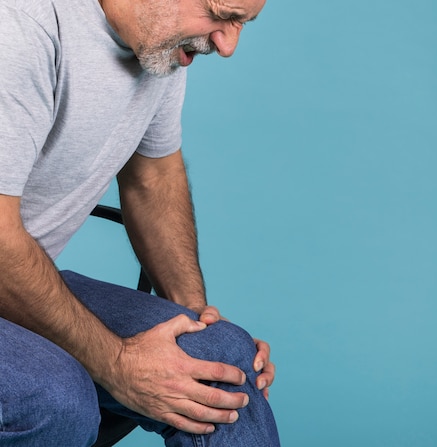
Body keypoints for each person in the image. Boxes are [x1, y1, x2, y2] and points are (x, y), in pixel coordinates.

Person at [0, 0, 280, 446]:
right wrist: (117, 362)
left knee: (222, 362)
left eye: (241, 23)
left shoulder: (157, 41)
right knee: (53, 397)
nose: (227, 45)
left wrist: (195, 319)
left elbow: (153, 176)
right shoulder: (20, 27)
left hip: (15, 281)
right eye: (221, 13)